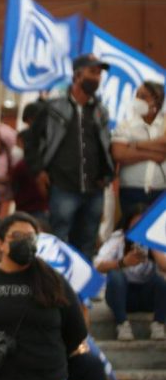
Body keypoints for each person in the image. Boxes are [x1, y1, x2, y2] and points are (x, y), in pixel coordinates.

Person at [0, 213, 88, 380]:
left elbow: (76, 331)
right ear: (0, 243)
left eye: (30, 237)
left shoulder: (53, 281)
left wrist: (50, 357)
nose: (25, 241)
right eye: (16, 236)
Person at [24, 54, 114, 259]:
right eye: (92, 72)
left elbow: (105, 145)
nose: (97, 78)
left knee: (88, 242)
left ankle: (83, 290)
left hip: (94, 188)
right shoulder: (53, 107)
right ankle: (59, 287)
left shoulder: (101, 111)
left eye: (99, 73)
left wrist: (107, 173)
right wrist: (38, 171)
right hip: (63, 186)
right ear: (77, 75)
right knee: (59, 241)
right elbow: (30, 141)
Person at [94, 204, 166, 341]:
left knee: (161, 281)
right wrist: (122, 263)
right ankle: (122, 325)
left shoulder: (157, 239)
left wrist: (153, 246)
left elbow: (164, 267)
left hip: (148, 298)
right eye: (136, 225)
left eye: (143, 225)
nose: (139, 229)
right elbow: (97, 265)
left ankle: (158, 324)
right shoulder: (119, 238)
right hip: (122, 297)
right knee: (115, 275)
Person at [110, 81, 166, 215]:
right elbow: (119, 153)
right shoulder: (126, 126)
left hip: (161, 193)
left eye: (143, 96)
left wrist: (136, 145)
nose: (138, 100)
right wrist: (153, 154)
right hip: (131, 192)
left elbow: (164, 144)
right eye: (137, 95)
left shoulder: (164, 124)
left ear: (156, 101)